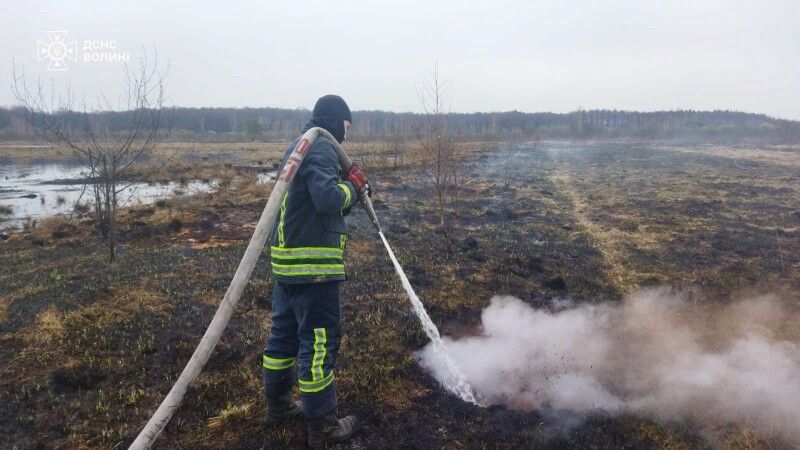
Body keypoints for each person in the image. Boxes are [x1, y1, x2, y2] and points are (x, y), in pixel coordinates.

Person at [261, 94, 369, 447]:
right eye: (346, 127)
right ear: (337, 121)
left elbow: (311, 203)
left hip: (288, 267)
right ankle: (323, 425)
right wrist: (353, 187)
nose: (346, 136)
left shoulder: (299, 146)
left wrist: (347, 185)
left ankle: (277, 408)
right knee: (320, 343)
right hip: (314, 270)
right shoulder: (322, 146)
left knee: (283, 338)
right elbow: (327, 199)